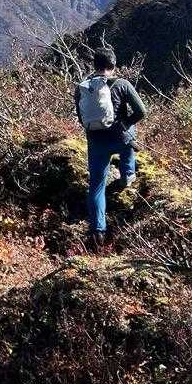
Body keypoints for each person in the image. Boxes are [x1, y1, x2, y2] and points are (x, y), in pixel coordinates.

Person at [74, 47, 147, 249]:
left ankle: (97, 232)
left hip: (96, 143)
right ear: (114, 65)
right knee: (130, 135)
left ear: (94, 65)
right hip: (121, 140)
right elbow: (141, 111)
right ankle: (128, 174)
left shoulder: (82, 88)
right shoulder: (122, 84)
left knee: (96, 186)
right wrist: (124, 124)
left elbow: (81, 118)